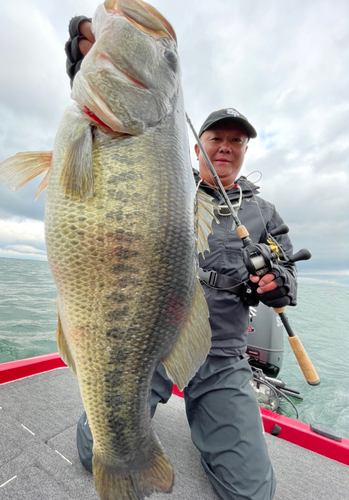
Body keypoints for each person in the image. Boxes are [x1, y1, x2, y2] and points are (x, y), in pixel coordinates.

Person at [66, 17, 298, 500]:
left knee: (251, 493)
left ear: (246, 149)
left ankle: (210, 425)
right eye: (217, 139)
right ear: (198, 146)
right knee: (95, 453)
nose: (226, 148)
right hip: (149, 343)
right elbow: (115, 172)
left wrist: (278, 284)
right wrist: (88, 81)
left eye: (236, 141)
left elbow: (287, 271)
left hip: (221, 358)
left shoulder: (265, 212)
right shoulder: (168, 183)